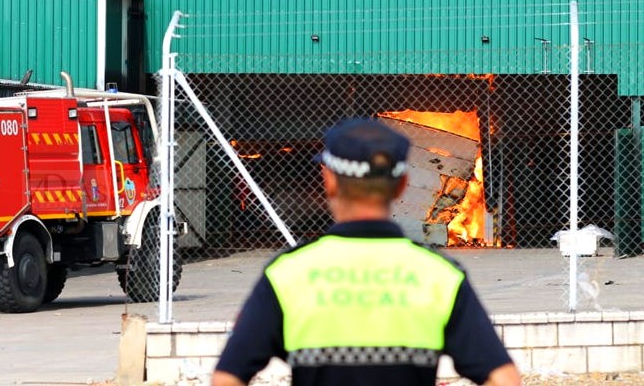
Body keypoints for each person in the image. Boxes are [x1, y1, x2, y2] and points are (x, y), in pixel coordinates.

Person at [212, 118, 521, 386]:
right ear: (401, 185)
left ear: (329, 180)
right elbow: (502, 377)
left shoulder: (288, 274)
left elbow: (227, 376)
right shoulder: (439, 276)